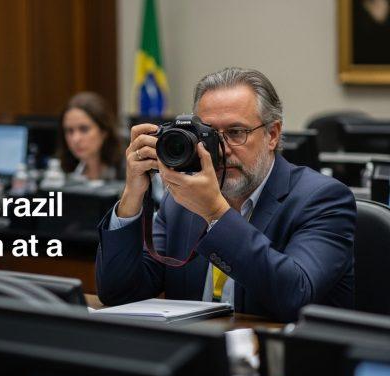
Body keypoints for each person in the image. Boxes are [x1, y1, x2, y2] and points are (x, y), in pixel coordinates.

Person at [95, 67, 356, 322]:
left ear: (272, 135)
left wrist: (215, 213)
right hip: (198, 356)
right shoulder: (181, 202)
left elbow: (295, 296)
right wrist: (132, 196)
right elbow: (119, 293)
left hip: (283, 359)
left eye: (235, 133)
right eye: (208, 135)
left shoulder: (323, 199)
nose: (220, 150)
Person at [58, 92, 124, 181]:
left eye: (84, 129)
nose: (75, 139)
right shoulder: (63, 174)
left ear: (104, 131)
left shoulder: (126, 171)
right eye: (69, 131)